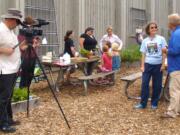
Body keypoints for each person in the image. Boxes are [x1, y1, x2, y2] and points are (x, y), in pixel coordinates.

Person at [0, 8, 27, 133]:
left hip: (12, 68)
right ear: (11, 19)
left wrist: (23, 45)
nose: (17, 25)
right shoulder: (1, 29)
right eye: (17, 22)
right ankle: (2, 124)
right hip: (4, 70)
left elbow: (14, 48)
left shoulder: (10, 31)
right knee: (3, 98)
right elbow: (6, 49)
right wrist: (5, 50)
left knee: (9, 97)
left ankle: (8, 119)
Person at [134, 22, 167, 109]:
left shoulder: (161, 39)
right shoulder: (145, 41)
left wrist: (163, 65)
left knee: (157, 85)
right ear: (148, 29)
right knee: (144, 84)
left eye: (155, 27)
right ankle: (143, 103)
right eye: (152, 27)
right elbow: (143, 54)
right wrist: (142, 66)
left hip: (158, 65)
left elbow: (164, 53)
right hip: (148, 65)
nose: (154, 29)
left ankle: (154, 103)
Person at [162, 14, 180, 118]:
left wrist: (166, 50)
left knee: (174, 90)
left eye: (168, 21)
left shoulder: (176, 34)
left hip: (176, 66)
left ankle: (172, 112)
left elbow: (177, 50)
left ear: (171, 23)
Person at [19, 16, 40, 89]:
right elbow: (21, 48)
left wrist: (36, 43)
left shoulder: (33, 33)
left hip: (33, 57)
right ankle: (22, 91)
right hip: (26, 58)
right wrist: (31, 45)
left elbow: (37, 44)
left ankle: (27, 89)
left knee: (31, 75)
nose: (32, 27)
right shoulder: (22, 33)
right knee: (24, 76)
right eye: (31, 25)